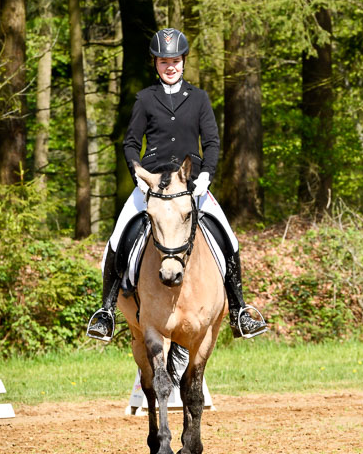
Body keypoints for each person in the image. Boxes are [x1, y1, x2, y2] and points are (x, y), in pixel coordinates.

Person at [87, 27, 267, 342]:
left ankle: (239, 310)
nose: (170, 66)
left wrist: (206, 176)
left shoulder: (198, 98)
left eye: (175, 61)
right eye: (163, 62)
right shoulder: (145, 99)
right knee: (117, 239)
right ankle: (105, 313)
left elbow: (211, 141)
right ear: (156, 64)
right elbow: (131, 144)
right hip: (153, 183)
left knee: (229, 238)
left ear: (183, 61)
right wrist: (140, 179)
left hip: (191, 184)